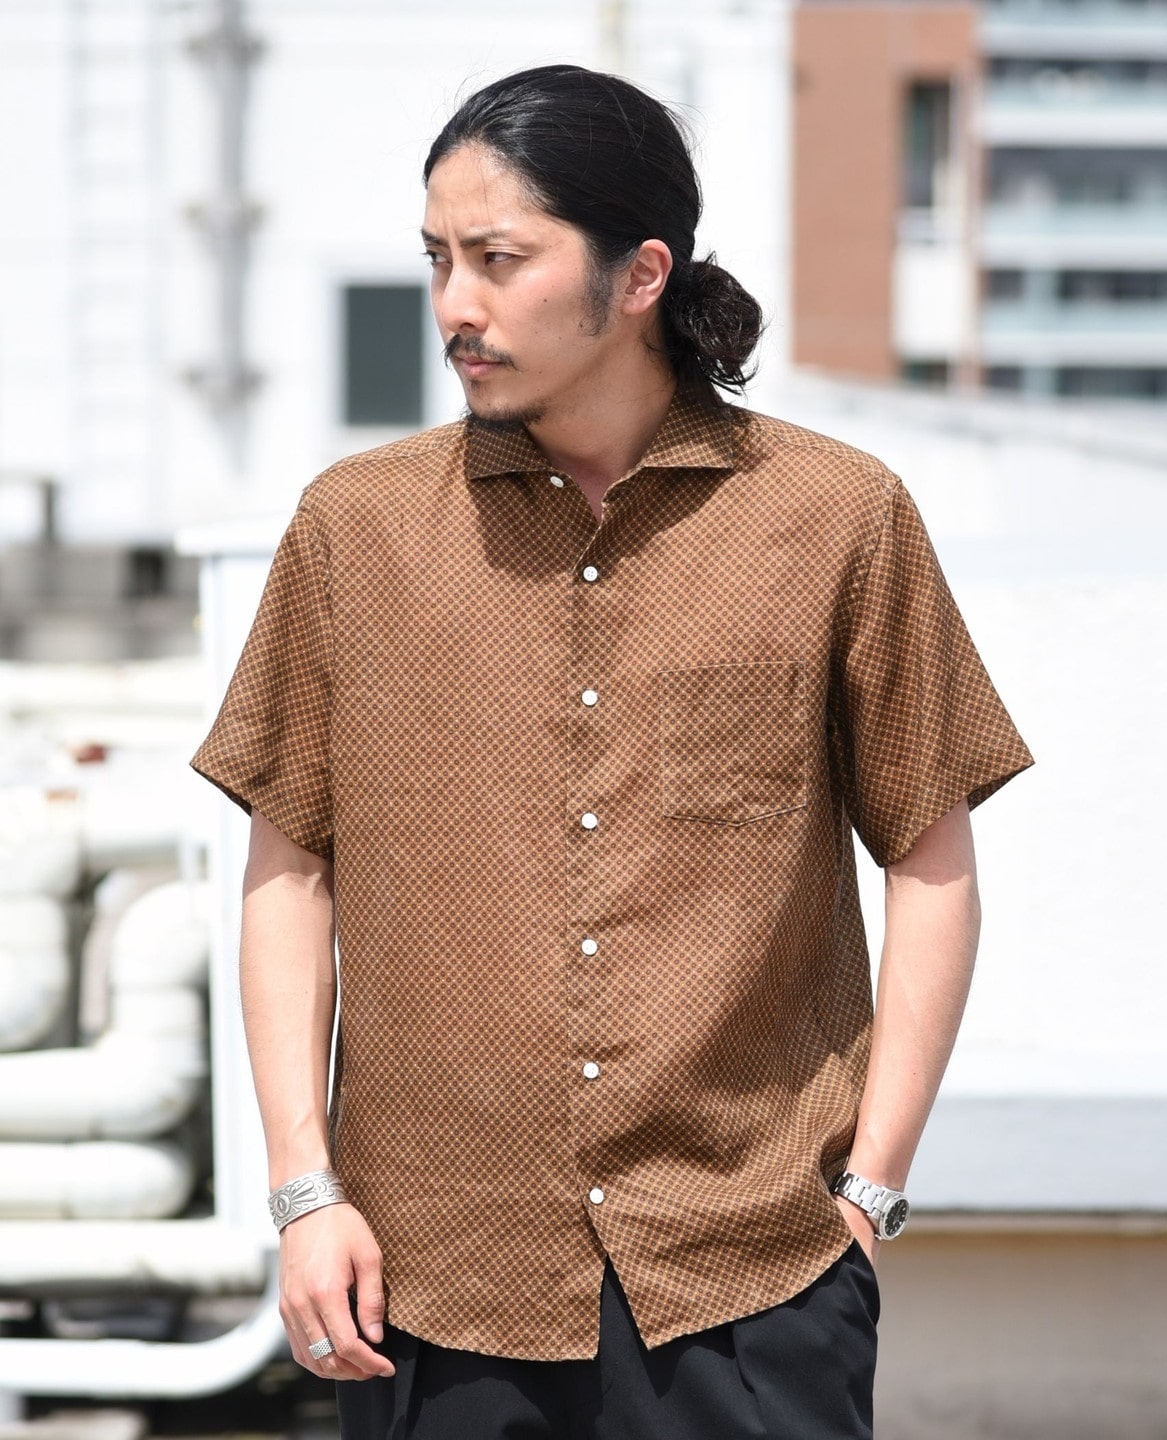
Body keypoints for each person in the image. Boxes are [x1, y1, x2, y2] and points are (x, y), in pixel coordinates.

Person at [190, 63, 1033, 1440]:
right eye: (438, 259)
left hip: (750, 1275)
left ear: (639, 274)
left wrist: (869, 1192)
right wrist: (305, 1192)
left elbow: (932, 860)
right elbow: (289, 875)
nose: (456, 305)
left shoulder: (834, 518)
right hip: (429, 1278)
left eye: (499, 259)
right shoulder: (356, 529)